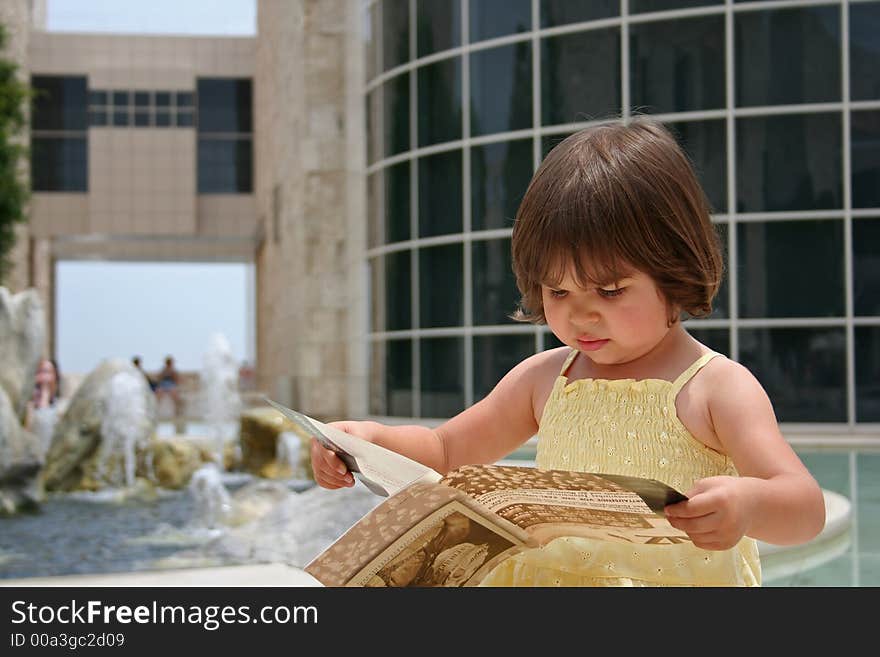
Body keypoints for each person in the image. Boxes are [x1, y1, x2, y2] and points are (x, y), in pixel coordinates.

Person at [310, 117, 826, 587]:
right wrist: (366, 441)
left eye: (610, 291)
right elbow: (446, 451)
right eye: (558, 292)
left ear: (674, 269)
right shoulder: (544, 379)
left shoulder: (714, 387)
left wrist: (748, 505)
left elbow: (804, 507)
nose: (581, 316)